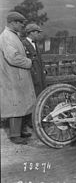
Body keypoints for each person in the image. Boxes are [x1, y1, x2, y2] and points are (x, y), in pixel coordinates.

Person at [0, 11, 36, 144]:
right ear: (12, 23)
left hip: (17, 76)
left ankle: (19, 131)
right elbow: (13, 58)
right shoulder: (7, 37)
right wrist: (29, 62)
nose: (22, 25)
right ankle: (14, 135)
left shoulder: (12, 36)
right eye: (20, 22)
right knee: (15, 105)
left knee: (21, 104)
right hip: (11, 77)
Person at [23, 23, 46, 96]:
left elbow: (39, 59)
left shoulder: (36, 44)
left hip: (40, 75)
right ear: (31, 33)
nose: (39, 34)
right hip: (32, 77)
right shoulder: (23, 44)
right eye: (37, 32)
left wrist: (44, 70)